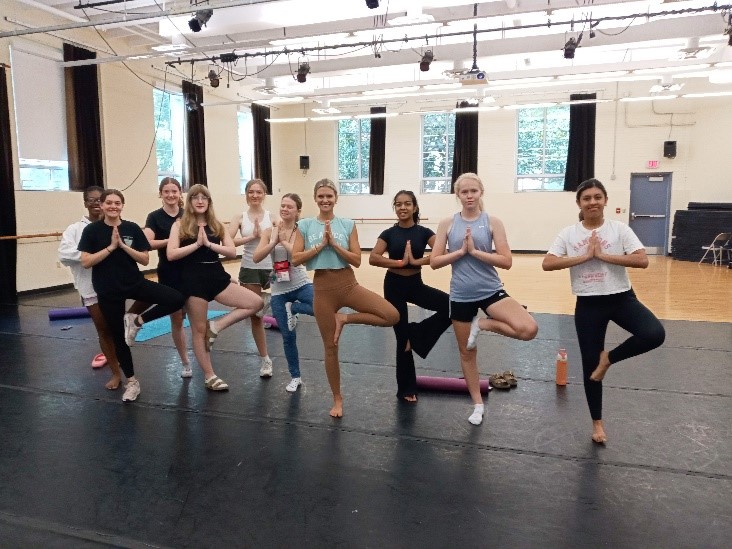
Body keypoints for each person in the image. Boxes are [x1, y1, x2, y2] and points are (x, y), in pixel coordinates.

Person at [542, 178, 665, 444]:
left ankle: (608, 358)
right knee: (589, 366)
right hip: (588, 303)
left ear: (606, 200)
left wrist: (602, 256)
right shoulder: (569, 233)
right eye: (587, 198)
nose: (593, 202)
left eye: (598, 197)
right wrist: (584, 256)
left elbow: (641, 260)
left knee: (654, 333)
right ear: (579, 203)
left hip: (621, 298)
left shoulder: (619, 229)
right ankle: (597, 424)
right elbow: (548, 263)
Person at [430, 172, 538, 426]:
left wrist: (476, 252)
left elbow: (506, 261)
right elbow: (434, 262)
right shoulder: (448, 223)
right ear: (458, 195)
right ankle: (477, 404)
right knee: (467, 352)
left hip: (491, 290)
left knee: (528, 328)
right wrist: (460, 252)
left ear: (481, 193)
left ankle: (484, 324)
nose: (469, 196)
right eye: (464, 192)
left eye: (473, 191)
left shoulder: (492, 221)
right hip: (461, 294)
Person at [292, 178, 399, 418]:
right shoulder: (305, 225)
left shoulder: (347, 224)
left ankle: (344, 319)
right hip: (323, 289)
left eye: (329, 196)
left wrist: (334, 245)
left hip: (348, 284)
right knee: (330, 348)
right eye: (321, 196)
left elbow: (357, 259)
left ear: (336, 198)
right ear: (315, 198)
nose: (325, 200)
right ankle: (337, 399)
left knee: (391, 315)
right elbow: (296, 258)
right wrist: (320, 246)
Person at [78, 189, 186, 402]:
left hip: (134, 283)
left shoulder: (131, 228)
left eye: (117, 203)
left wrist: (124, 247)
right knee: (118, 337)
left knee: (175, 298)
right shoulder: (92, 230)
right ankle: (132, 381)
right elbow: (86, 261)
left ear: (122, 206)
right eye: (109, 202)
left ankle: (137, 319)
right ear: (102, 204)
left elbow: (145, 260)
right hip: (108, 291)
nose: (113, 206)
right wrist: (110, 247)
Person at [168, 184, 263, 391]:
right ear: (190, 201)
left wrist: (209, 244)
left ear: (209, 202)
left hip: (216, 277)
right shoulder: (179, 225)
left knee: (256, 302)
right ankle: (210, 375)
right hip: (193, 281)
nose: (200, 201)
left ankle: (217, 327)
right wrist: (196, 244)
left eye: (204, 197)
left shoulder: (216, 224)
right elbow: (171, 254)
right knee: (198, 329)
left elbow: (230, 251)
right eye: (195, 197)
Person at [369, 190, 451, 403]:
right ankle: (406, 389)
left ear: (415, 207)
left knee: (452, 306)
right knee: (401, 338)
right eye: (398, 204)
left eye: (407, 204)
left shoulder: (424, 232)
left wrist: (416, 262)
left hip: (415, 284)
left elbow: (442, 254)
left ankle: (416, 334)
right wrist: (398, 263)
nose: (402, 208)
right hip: (394, 285)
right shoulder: (388, 233)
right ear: (394, 208)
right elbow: (373, 258)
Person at [58, 186, 122, 390]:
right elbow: (65, 255)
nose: (96, 204)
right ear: (85, 203)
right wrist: (94, 255)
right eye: (91, 200)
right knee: (104, 330)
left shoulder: (114, 226)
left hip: (114, 285)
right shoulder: (75, 229)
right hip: (90, 288)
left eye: (99, 200)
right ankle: (115, 372)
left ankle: (119, 360)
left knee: (117, 328)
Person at [253, 193, 314, 393]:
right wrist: (273, 241)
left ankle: (294, 308)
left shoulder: (302, 231)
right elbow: (256, 257)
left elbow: (300, 259)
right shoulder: (269, 231)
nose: (285, 209)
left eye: (289, 206)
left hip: (301, 283)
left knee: (322, 308)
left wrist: (284, 242)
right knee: (288, 337)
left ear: (297, 211)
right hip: (279, 289)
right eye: (282, 206)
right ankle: (295, 376)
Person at [141, 177, 190, 377]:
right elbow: (147, 243)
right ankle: (186, 362)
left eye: (174, 191)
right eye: (166, 191)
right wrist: (171, 240)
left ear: (180, 193)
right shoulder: (154, 217)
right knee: (177, 318)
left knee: (196, 318)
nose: (170, 195)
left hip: (191, 271)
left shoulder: (188, 215)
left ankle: (205, 361)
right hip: (169, 272)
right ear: (160, 194)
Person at [229, 179, 276, 378]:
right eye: (251, 192)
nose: (255, 195)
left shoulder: (272, 216)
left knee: (283, 307)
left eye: (258, 192)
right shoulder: (240, 217)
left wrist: (268, 238)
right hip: (249, 268)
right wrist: (251, 237)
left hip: (271, 268)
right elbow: (229, 240)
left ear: (264, 195)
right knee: (255, 315)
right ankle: (265, 359)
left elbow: (284, 234)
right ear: (246, 194)